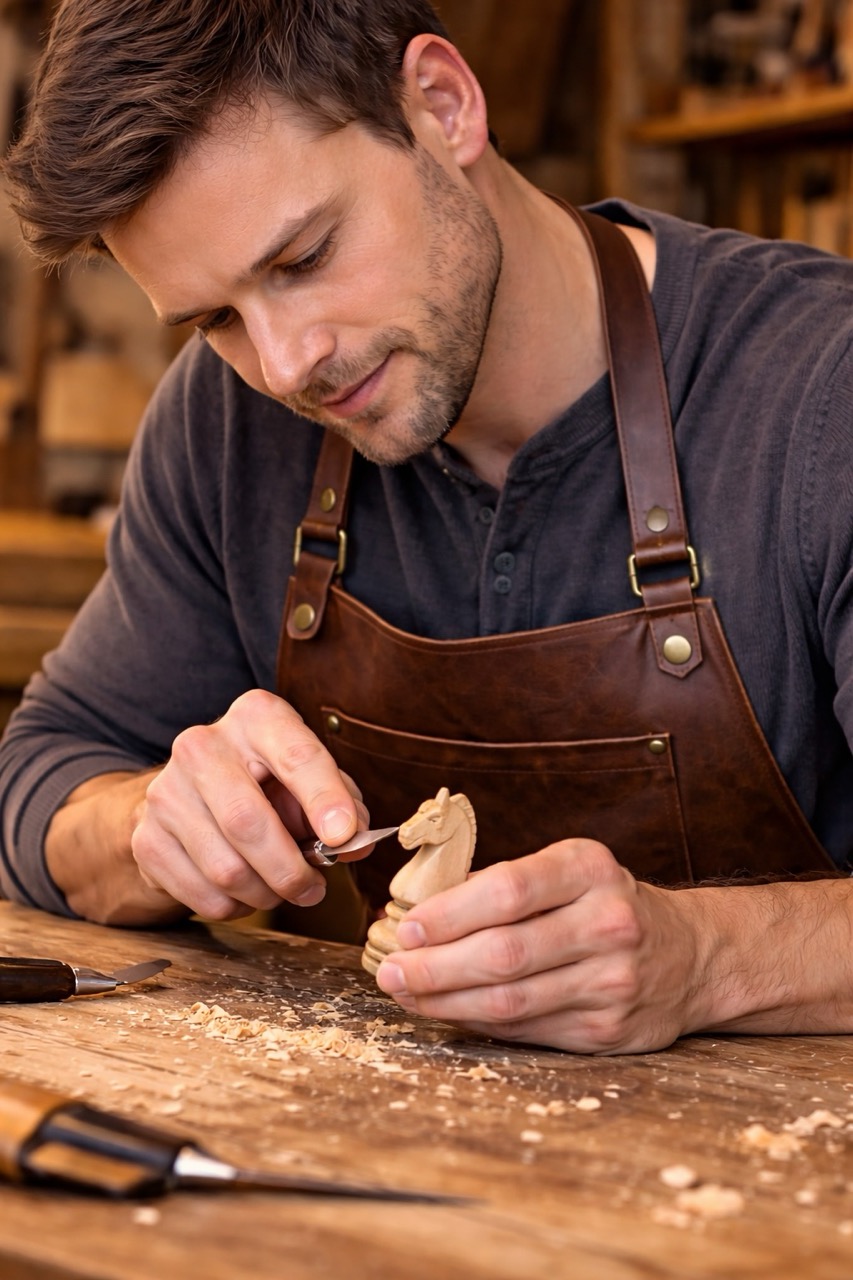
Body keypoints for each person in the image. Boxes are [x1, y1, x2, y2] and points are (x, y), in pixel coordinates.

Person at [2, 0, 853, 1057]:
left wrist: (710, 956)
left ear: (442, 106)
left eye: (304, 256)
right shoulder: (225, 422)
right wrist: (144, 827)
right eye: (215, 318)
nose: (284, 365)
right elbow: (41, 772)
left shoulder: (822, 389)